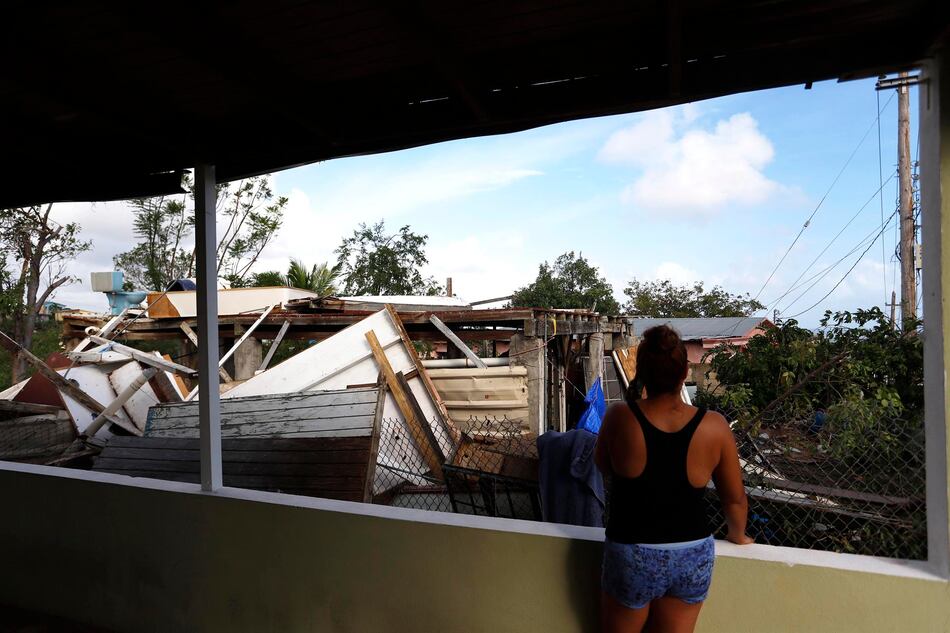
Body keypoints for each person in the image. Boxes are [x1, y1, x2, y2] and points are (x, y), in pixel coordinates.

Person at [595, 325, 753, 633]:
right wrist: (738, 535)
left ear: (640, 372)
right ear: (685, 373)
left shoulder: (619, 417)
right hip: (691, 554)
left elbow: (603, 464)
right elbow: (734, 498)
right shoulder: (714, 425)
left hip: (632, 549)